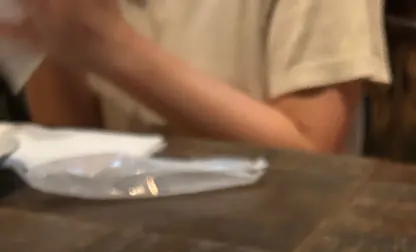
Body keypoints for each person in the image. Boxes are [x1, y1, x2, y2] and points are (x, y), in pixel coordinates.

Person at [0, 0, 390, 154]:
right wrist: (53, 41)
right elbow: (73, 146)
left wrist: (114, 50)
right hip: (121, 234)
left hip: (272, 251)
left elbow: (312, 156)